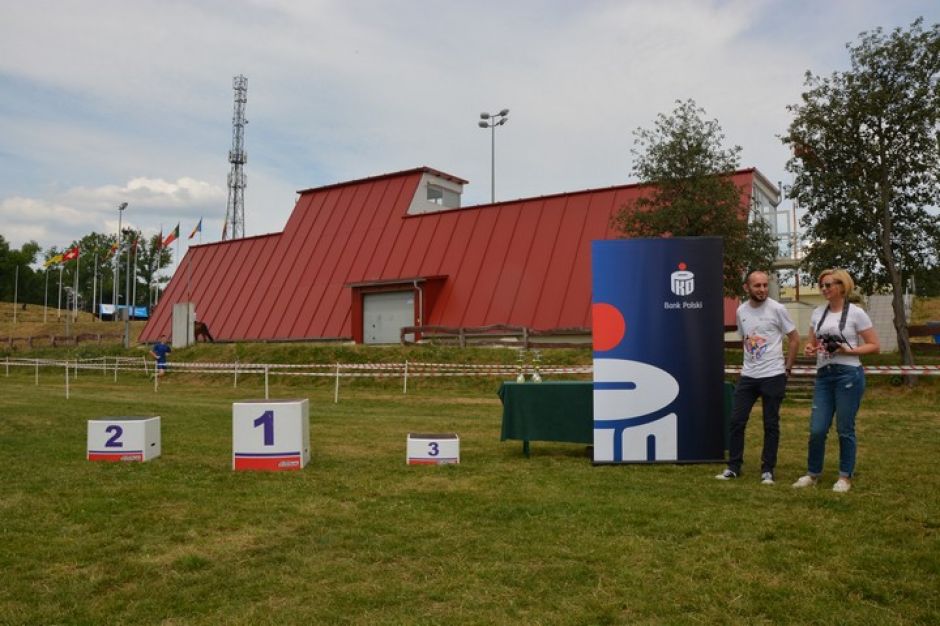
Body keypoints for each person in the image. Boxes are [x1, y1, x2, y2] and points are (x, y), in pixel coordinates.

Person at [793, 269, 880, 493]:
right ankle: (813, 473)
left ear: (842, 286)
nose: (824, 289)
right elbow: (811, 343)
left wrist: (848, 351)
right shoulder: (817, 313)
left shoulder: (856, 313)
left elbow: (874, 345)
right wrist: (810, 348)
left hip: (848, 374)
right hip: (824, 374)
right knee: (817, 429)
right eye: (821, 285)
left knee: (844, 428)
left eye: (828, 285)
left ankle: (844, 476)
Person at [716, 270, 799, 484]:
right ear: (747, 288)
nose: (762, 289)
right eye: (757, 286)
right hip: (748, 376)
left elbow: (794, 339)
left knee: (770, 424)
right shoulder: (741, 310)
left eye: (764, 285)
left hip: (773, 375)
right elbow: (747, 339)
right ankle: (734, 466)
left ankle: (767, 470)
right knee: (736, 421)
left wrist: (787, 369)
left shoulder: (777, 309)